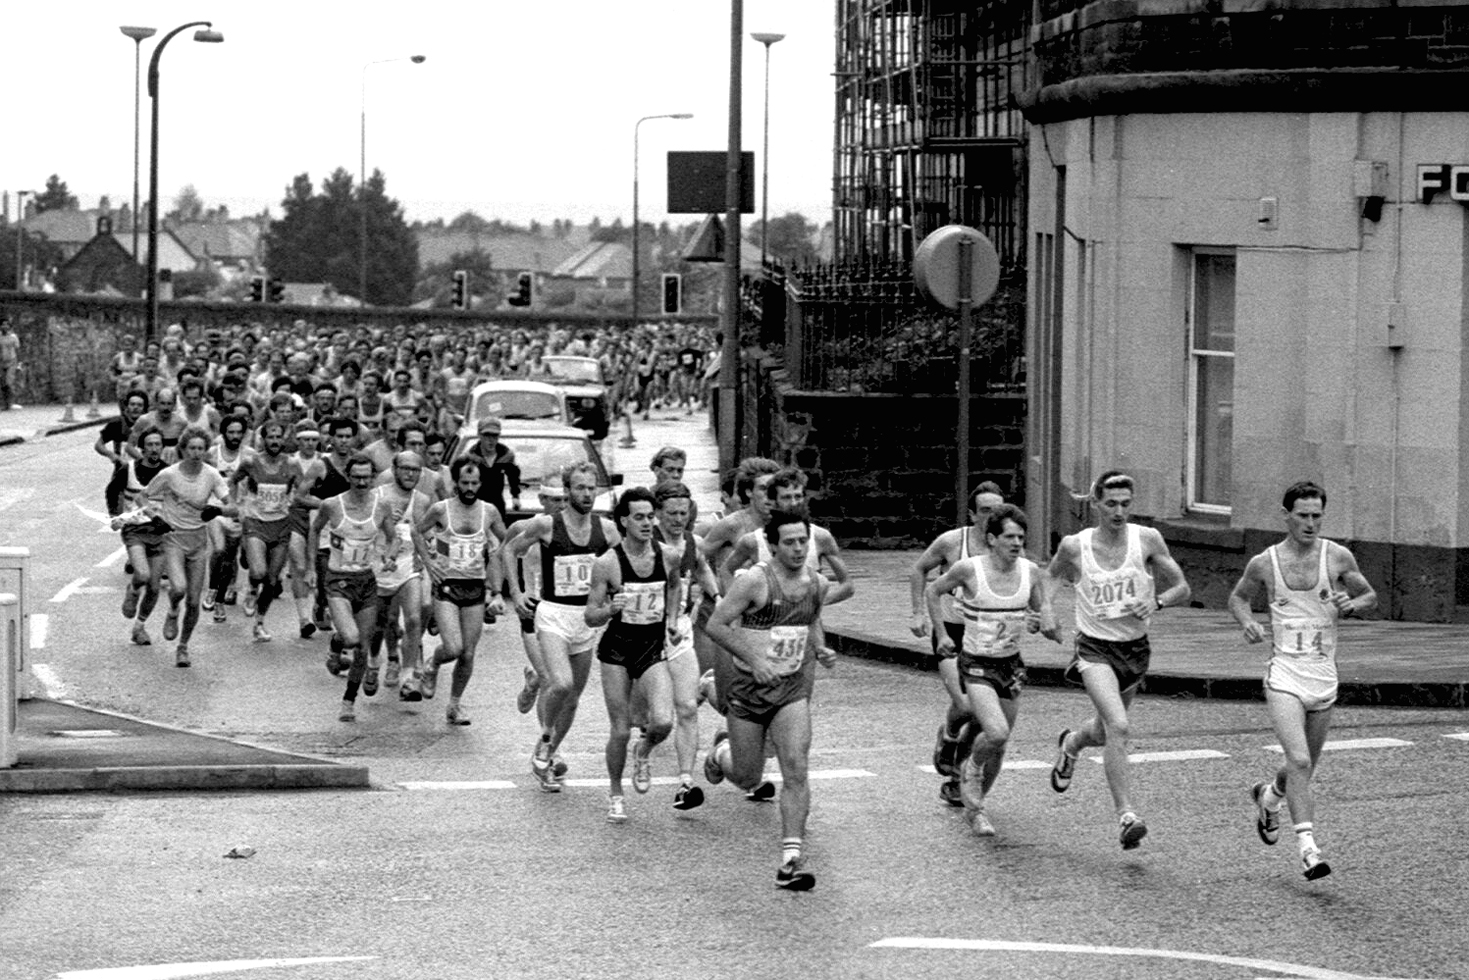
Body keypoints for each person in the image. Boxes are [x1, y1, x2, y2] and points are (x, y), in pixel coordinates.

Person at [1227, 481, 1376, 881]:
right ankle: (1309, 850)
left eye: (1317, 516)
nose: (1310, 523)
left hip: (1324, 677)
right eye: (1303, 515)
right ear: (1286, 515)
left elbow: (1369, 596)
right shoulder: (1265, 562)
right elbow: (1238, 598)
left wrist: (1352, 603)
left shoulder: (1337, 557)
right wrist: (1248, 622)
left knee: (1300, 771)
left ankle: (1269, 796)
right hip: (1285, 676)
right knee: (1299, 760)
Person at [1044, 470, 1191, 850]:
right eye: (1111, 504)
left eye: (1126, 504)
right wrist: (1046, 611)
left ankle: (1073, 744)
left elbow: (1182, 588)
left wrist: (1156, 601)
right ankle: (1127, 815)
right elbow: (1051, 579)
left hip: (1134, 650)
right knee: (1120, 726)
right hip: (1094, 648)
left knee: (1102, 731)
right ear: (1096, 504)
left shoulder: (1147, 540)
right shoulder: (1076, 546)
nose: (1119, 512)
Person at [704, 509, 836, 891]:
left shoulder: (817, 584)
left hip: (790, 690)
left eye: (803, 541)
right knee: (748, 776)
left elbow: (810, 621)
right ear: (773, 546)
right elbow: (716, 625)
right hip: (748, 689)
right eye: (790, 542)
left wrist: (821, 648)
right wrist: (754, 659)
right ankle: (720, 754)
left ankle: (790, 859)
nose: (798, 548)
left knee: (796, 767)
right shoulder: (754, 582)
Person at [925, 504, 1058, 836]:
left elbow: (1042, 616)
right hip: (977, 664)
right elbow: (933, 590)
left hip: (1010, 666)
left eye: (1021, 538)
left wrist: (1044, 624)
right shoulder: (969, 570)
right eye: (1009, 537)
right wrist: (941, 634)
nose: (1016, 544)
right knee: (995, 732)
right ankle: (969, 766)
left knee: (1001, 742)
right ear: (991, 539)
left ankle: (977, 807)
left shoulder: (1030, 572)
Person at [503, 461, 621, 791]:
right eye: (580, 488)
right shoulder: (546, 524)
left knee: (573, 699)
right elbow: (510, 550)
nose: (587, 494)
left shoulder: (607, 530)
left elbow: (619, 567)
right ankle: (545, 737)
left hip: (585, 620)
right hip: (552, 614)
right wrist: (516, 591)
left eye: (591, 487)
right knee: (561, 683)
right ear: (567, 492)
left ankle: (547, 758)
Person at [585, 487, 684, 823]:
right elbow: (590, 615)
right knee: (621, 730)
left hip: (651, 647)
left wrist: (671, 620)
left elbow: (674, 585)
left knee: (663, 721)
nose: (646, 523)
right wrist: (610, 608)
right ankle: (615, 793)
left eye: (650, 517)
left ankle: (643, 753)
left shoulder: (668, 555)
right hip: (616, 650)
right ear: (623, 520)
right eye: (639, 517)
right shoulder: (607, 563)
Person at [909, 482, 1006, 806]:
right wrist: (919, 614)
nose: (991, 517)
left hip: (987, 637)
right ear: (971, 514)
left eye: (998, 510)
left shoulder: (1005, 546)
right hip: (951, 631)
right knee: (964, 705)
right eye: (985, 511)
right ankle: (949, 735)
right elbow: (920, 570)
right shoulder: (953, 542)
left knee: (982, 716)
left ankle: (956, 775)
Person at [416, 457, 508, 726]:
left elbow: (505, 542)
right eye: (464, 483)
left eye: (474, 483)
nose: (469, 488)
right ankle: (433, 664)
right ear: (455, 482)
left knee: (468, 653)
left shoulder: (489, 512)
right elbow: (417, 531)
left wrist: (498, 587)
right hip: (447, 586)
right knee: (454, 647)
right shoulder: (440, 509)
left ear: (481, 484)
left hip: (475, 587)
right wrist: (429, 562)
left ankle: (455, 705)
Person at [134, 426, 236, 667]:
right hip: (174, 538)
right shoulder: (169, 475)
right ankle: (171, 611)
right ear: (183, 449)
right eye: (192, 448)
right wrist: (153, 516)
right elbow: (142, 497)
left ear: (206, 451)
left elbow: (234, 507)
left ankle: (183, 647)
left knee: (193, 601)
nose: (196, 453)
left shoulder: (211, 475)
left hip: (198, 542)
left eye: (201, 449)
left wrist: (218, 510)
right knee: (178, 588)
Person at [308, 452, 399, 722]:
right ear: (348, 477)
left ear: (373, 478)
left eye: (366, 478)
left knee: (362, 647)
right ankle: (338, 641)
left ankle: (348, 701)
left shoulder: (381, 506)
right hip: (337, 580)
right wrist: (312, 567)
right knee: (351, 637)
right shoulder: (331, 505)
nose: (362, 483)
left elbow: (393, 537)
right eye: (356, 477)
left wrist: (390, 557)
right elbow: (315, 530)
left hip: (366, 581)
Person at [652, 480, 720, 811]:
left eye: (684, 512)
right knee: (652, 718)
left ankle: (685, 783)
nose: (679, 519)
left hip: (679, 631)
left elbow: (703, 569)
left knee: (688, 708)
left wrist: (717, 597)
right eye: (672, 513)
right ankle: (640, 750)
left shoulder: (692, 542)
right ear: (657, 514)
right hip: (643, 632)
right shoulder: (645, 542)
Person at [230, 419, 305, 643]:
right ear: (263, 440)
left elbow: (302, 491)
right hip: (255, 522)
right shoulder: (251, 462)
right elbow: (233, 481)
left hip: (281, 525)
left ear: (284, 439)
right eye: (270, 437)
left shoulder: (292, 465)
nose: (274, 441)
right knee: (259, 572)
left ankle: (260, 623)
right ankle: (252, 588)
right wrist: (237, 506)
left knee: (272, 582)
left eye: (278, 437)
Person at [371, 450, 432, 701]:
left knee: (415, 618)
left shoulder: (423, 501)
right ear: (394, 470)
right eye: (405, 468)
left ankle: (408, 679)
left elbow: (426, 534)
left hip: (409, 564)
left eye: (415, 470)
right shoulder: (378, 496)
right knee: (383, 622)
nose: (410, 474)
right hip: (381, 565)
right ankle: (377, 661)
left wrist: (427, 549)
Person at [108, 427, 171, 646]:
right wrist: (114, 516)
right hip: (134, 530)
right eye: (150, 445)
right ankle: (133, 589)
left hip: (159, 533)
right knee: (142, 575)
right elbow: (111, 490)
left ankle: (139, 627)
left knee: (154, 586)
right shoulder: (129, 468)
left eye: (158, 444)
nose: (154, 449)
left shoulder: (168, 472)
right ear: (142, 448)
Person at [202, 415, 249, 622]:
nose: (235, 436)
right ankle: (211, 590)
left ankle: (220, 602)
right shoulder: (212, 454)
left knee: (229, 560)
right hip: (216, 509)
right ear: (223, 433)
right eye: (231, 432)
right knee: (219, 550)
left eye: (239, 432)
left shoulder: (249, 457)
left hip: (237, 512)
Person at [97, 391, 150, 516]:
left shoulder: (149, 425)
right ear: (126, 406)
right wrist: (112, 455)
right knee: (114, 500)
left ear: (144, 408)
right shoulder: (117, 424)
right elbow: (98, 445)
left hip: (144, 475)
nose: (135, 408)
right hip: (121, 473)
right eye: (132, 404)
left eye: (139, 405)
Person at [462, 416, 521, 519]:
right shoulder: (470, 456)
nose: (491, 440)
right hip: (475, 504)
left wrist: (515, 497)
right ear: (479, 435)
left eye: (495, 436)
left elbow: (513, 476)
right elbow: (461, 481)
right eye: (486, 435)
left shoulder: (506, 455)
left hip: (497, 504)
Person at [0, 319, 20, 409]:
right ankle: (5, 404)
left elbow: (17, 349)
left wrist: (19, 363)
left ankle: (11, 402)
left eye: (6, 325)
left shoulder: (13, 337)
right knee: (3, 384)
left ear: (9, 326)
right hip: (1, 362)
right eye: (2, 325)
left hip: (12, 361)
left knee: (9, 382)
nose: (4, 327)